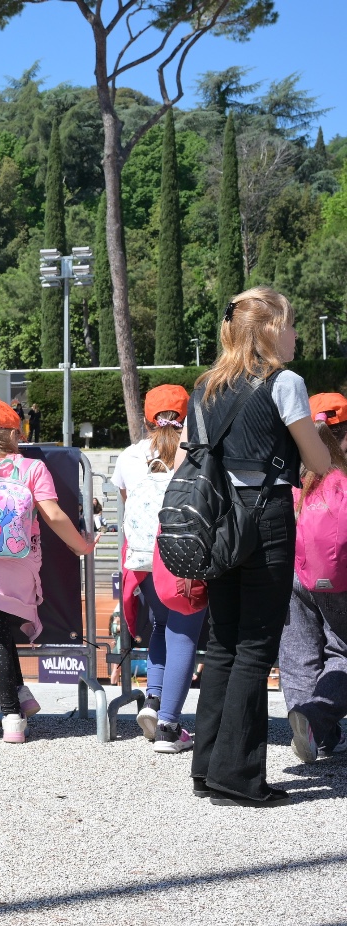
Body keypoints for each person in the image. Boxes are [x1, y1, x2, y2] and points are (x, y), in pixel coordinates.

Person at [177, 288, 332, 805]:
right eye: (290, 326)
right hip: (264, 518)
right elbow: (319, 460)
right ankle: (238, 776)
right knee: (255, 646)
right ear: (267, 330)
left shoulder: (205, 387)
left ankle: (207, 768)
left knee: (221, 642)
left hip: (216, 520)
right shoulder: (284, 382)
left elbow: (194, 458)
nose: (295, 336)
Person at [0, 400, 95, 743]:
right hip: (22, 563)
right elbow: (53, 516)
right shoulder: (33, 469)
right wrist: (81, 545)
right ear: (14, 433)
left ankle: (11, 715)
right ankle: (19, 697)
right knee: (1, 630)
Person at [113, 384, 207, 754]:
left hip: (142, 558)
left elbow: (125, 499)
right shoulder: (196, 452)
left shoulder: (130, 455)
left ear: (148, 416)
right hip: (182, 555)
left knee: (160, 626)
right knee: (183, 633)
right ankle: (169, 726)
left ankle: (153, 700)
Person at [282, 392, 347, 764]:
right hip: (338, 577)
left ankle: (312, 729)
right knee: (343, 651)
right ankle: (316, 718)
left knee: (297, 653)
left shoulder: (292, 473)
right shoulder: (342, 476)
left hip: (292, 574)